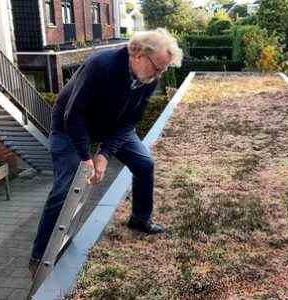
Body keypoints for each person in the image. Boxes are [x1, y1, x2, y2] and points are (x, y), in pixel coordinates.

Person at [29, 28, 183, 275]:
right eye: (157, 68)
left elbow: (130, 120)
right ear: (138, 54)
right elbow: (74, 114)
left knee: (144, 164)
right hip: (69, 125)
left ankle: (140, 218)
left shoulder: (149, 78)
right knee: (64, 188)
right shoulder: (101, 64)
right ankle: (39, 256)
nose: (159, 75)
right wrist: (85, 157)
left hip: (111, 124)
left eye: (163, 70)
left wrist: (104, 154)